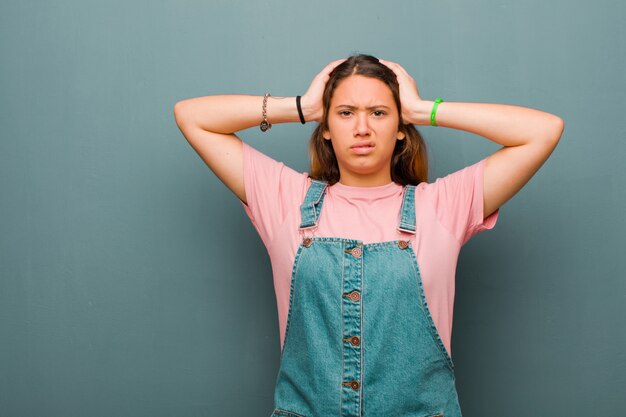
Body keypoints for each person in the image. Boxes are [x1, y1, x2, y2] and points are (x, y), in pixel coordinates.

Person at [173, 54, 564, 417]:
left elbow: (542, 131)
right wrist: (303, 107)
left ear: (399, 128)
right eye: (345, 113)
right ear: (325, 128)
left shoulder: (443, 205)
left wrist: (422, 109)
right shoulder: (284, 200)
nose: (362, 128)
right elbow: (192, 116)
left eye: (379, 113)